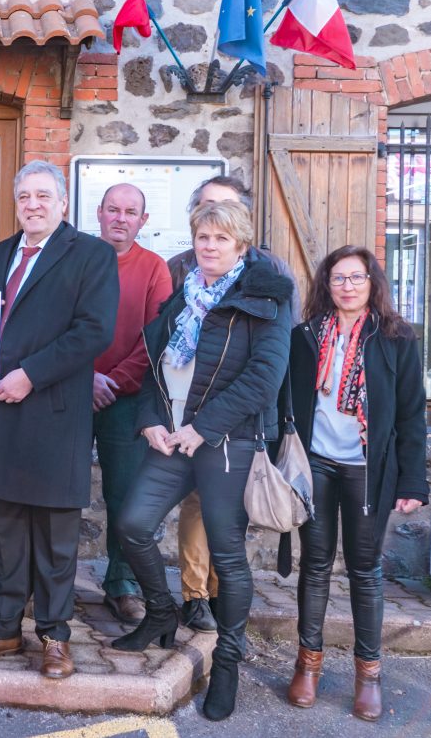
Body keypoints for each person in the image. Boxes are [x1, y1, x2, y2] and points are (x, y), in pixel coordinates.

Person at [114, 200, 293, 721]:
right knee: (132, 523)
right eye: (202, 236)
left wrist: (203, 427)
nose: (208, 246)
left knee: (228, 555)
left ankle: (228, 661)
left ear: (240, 245)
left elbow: (264, 378)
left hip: (227, 444)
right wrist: (150, 419)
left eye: (220, 238)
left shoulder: (266, 298)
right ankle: (162, 613)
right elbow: (153, 364)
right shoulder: (183, 296)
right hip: (173, 440)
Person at [0, 161, 118, 679]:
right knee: (9, 531)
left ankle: (54, 636)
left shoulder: (91, 255)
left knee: (54, 538)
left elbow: (93, 332)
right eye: (23, 196)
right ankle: (3, 631)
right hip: (1, 413)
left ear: (63, 203)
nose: (32, 205)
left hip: (53, 412)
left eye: (43, 196)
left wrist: (31, 373)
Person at [286, 246, 427, 722]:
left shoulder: (396, 338)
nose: (347, 285)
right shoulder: (304, 337)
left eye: (356, 277)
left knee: (365, 572)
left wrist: (413, 480)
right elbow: (287, 403)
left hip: (370, 470)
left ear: (372, 283)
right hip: (318, 465)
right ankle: (308, 665)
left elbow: (411, 415)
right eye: (338, 278)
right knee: (316, 565)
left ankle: (369, 674)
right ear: (327, 285)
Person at [164, 174, 299, 632]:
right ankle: (195, 593)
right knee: (198, 505)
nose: (212, 225)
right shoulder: (180, 267)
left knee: (229, 511)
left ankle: (225, 591)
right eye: (205, 208)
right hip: (190, 410)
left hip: (242, 416)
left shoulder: (269, 273)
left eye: (223, 210)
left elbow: (278, 352)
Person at [91, 183, 173, 626]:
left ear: (142, 221)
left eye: (130, 212)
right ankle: (54, 580)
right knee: (60, 489)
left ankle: (122, 583)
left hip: (126, 399)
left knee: (124, 493)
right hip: (72, 388)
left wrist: (112, 381)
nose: (120, 218)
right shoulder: (77, 257)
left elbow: (155, 336)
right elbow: (57, 324)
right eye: (113, 209)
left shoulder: (154, 267)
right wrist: (86, 377)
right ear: (99, 213)